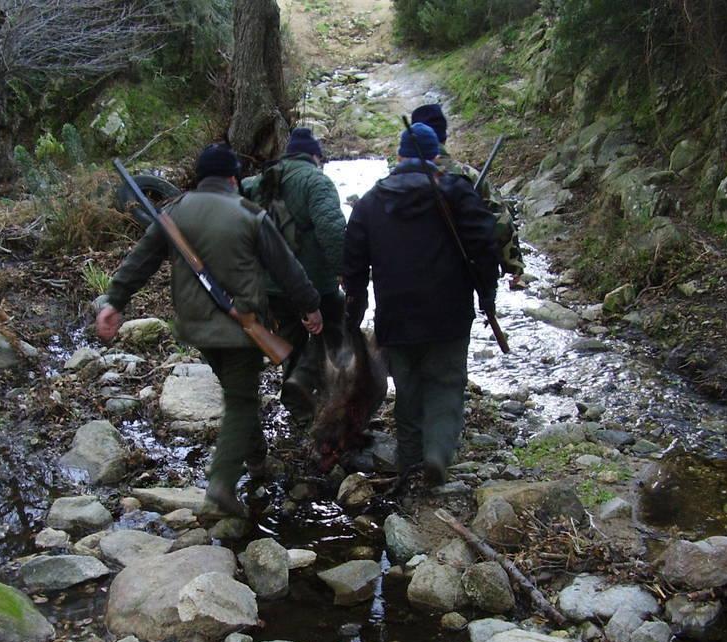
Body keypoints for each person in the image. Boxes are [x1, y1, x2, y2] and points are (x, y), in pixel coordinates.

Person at [96, 143, 324, 516]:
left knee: (237, 393)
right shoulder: (249, 213)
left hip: (196, 330)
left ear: (200, 178)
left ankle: (255, 459)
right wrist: (311, 306)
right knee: (241, 402)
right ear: (233, 178)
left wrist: (114, 301)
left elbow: (140, 261)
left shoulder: (173, 213)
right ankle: (222, 481)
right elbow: (287, 269)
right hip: (241, 329)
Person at [343, 123, 499, 485]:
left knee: (408, 389)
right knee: (446, 384)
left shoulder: (371, 201)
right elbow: (485, 246)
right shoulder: (456, 192)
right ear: (434, 157)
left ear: (398, 157)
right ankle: (438, 455)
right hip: (450, 315)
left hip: (396, 316)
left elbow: (352, 261)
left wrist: (356, 310)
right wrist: (487, 296)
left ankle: (409, 461)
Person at [241, 127, 346, 423]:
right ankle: (325, 394)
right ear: (315, 156)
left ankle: (299, 408)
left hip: (272, 286)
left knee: (290, 341)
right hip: (315, 285)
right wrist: (344, 270)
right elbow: (332, 231)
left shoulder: (258, 181)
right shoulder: (317, 182)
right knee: (333, 334)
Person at [410, 103, 528, 290]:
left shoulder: (399, 177)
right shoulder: (468, 175)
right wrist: (513, 266)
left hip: (410, 273)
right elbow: (500, 219)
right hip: (461, 272)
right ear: (444, 137)